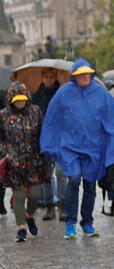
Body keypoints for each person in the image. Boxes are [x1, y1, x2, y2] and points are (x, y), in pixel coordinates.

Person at [40, 58, 114, 239]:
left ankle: (87, 222)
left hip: (93, 149)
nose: (86, 76)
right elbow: (52, 119)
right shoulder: (63, 93)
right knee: (73, 180)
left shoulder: (101, 93)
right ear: (74, 75)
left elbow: (112, 116)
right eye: (82, 74)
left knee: (90, 185)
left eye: (88, 73)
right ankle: (70, 222)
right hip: (70, 148)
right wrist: (51, 141)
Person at [0, 82, 49, 242]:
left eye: (23, 98)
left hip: (34, 162)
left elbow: (43, 132)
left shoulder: (35, 112)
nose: (20, 102)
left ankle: (29, 215)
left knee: (35, 195)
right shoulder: (3, 115)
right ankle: (21, 228)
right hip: (13, 164)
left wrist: (44, 151)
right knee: (18, 197)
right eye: (16, 99)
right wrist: (4, 152)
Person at [30, 67, 61, 221]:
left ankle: (62, 206)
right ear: (42, 78)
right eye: (46, 77)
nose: (49, 79)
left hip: (61, 139)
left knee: (62, 174)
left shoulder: (62, 94)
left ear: (56, 77)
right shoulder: (35, 97)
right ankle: (50, 206)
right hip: (44, 140)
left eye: (52, 76)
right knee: (46, 175)